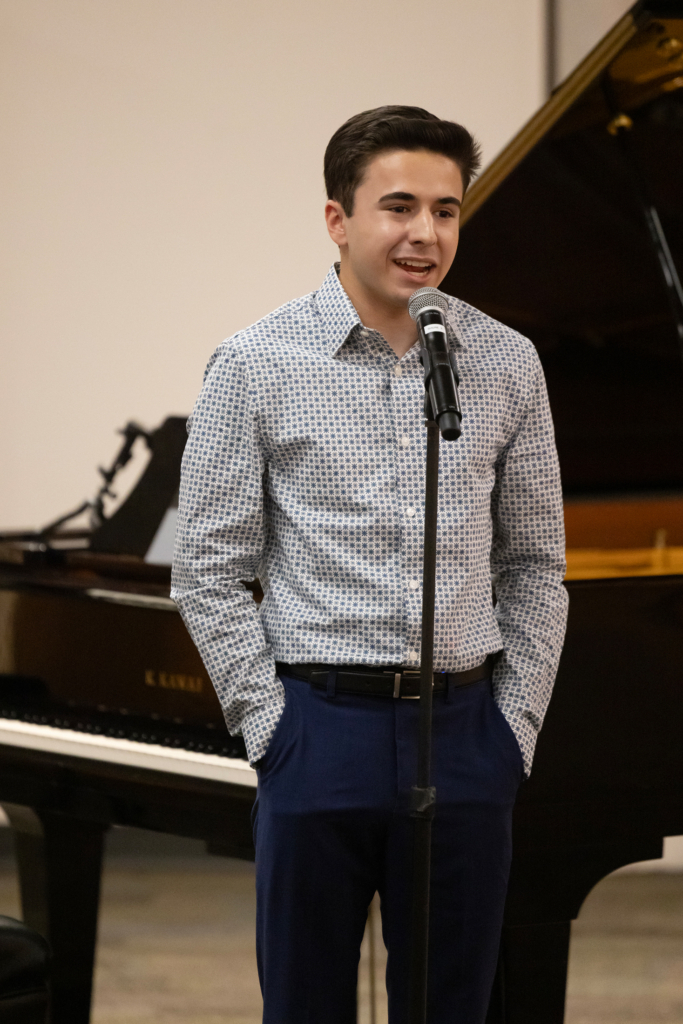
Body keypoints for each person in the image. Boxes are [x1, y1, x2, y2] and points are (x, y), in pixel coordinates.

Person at [171, 105, 568, 1024]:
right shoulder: (255, 363)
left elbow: (535, 564)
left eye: (446, 210)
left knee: (451, 1007)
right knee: (305, 1005)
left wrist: (514, 725)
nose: (424, 233)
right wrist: (269, 726)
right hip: (318, 730)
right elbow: (208, 567)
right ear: (337, 219)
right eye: (397, 206)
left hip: (469, 730)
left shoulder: (506, 363)